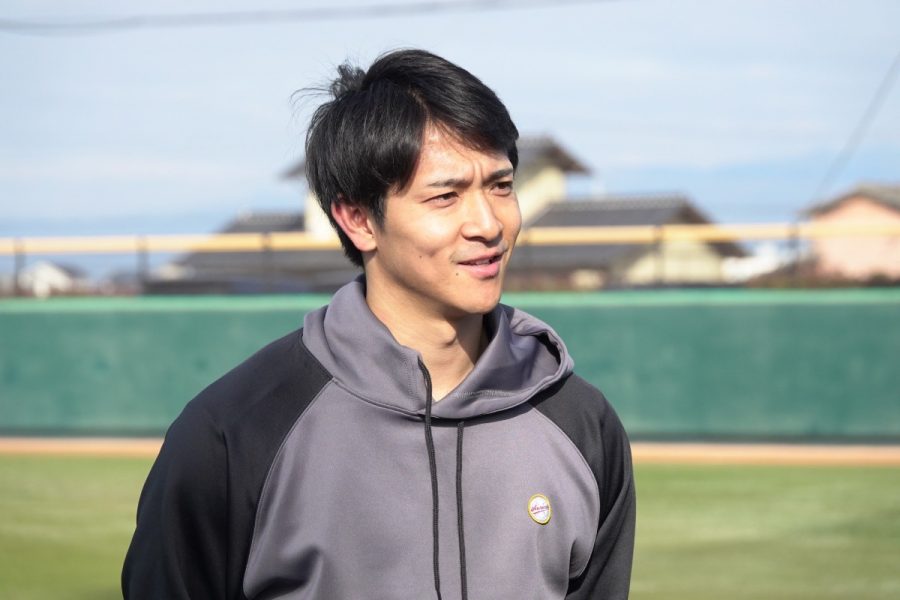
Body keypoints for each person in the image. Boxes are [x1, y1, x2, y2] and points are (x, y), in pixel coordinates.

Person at [122, 48, 635, 600]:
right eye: (446, 196)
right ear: (358, 219)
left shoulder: (581, 422)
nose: (488, 224)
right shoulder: (233, 431)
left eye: (501, 186)